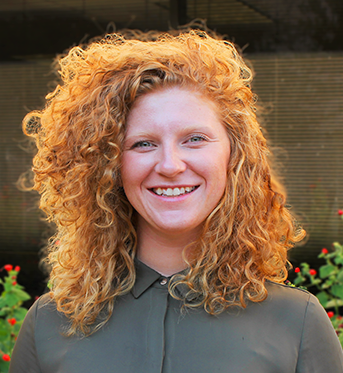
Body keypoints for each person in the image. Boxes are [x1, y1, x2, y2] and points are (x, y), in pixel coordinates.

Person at [10, 31, 343, 373]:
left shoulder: (296, 322)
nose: (170, 165)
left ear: (235, 155)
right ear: (107, 165)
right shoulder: (49, 325)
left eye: (194, 139)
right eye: (142, 143)